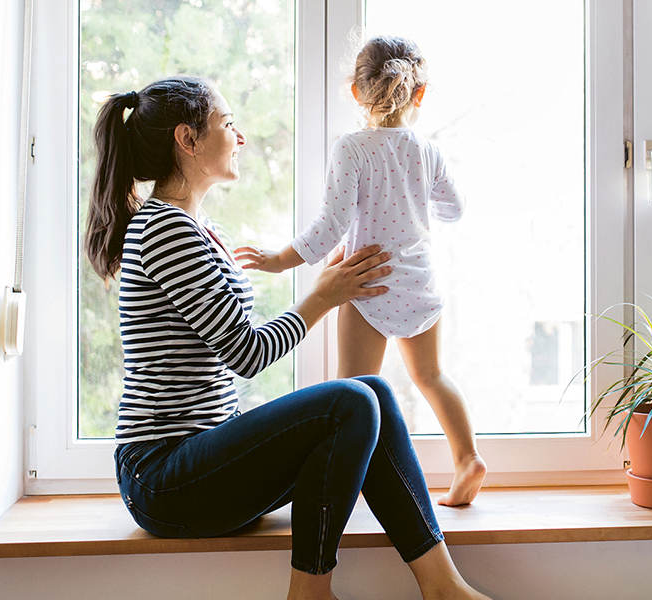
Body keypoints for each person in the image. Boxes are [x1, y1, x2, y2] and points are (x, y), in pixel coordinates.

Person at [84, 75, 492, 600]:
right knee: (349, 401)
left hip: (201, 458)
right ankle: (311, 594)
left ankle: (443, 588)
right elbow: (247, 353)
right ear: (187, 140)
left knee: (373, 391)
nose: (240, 136)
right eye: (227, 124)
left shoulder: (200, 227)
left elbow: (233, 342)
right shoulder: (165, 229)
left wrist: (330, 288)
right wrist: (324, 295)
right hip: (163, 476)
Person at [237, 36, 486, 507]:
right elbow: (454, 208)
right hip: (418, 282)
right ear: (420, 94)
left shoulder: (350, 149)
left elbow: (329, 227)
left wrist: (276, 260)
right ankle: (467, 457)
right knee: (432, 376)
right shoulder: (426, 150)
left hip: (366, 282)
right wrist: (414, 197)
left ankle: (348, 487)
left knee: (352, 394)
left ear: (356, 91)